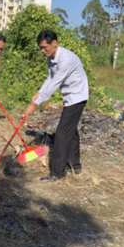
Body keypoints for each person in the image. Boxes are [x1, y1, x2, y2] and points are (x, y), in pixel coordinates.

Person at [24, 29, 89, 181]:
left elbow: (55, 83)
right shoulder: (51, 57)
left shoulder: (66, 58)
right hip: (70, 96)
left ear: (54, 43)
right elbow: (49, 78)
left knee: (61, 134)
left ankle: (57, 174)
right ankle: (75, 165)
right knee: (71, 131)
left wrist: (35, 104)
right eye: (40, 48)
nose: (42, 51)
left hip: (77, 96)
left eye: (44, 47)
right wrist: (38, 94)